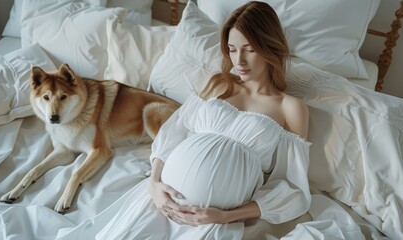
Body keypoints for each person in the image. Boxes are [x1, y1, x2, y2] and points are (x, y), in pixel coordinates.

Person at [96, 2, 311, 239]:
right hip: (161, 200)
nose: (238, 60)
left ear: (269, 46)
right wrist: (154, 184)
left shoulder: (291, 108)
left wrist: (225, 216)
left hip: (214, 221)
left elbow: (293, 188)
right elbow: (175, 132)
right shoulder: (219, 83)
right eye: (231, 49)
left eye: (248, 49)